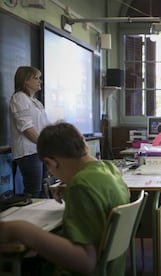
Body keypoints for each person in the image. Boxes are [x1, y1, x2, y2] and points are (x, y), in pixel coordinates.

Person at [0, 122, 130, 275]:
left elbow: (86, 262)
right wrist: (71, 189)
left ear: (51, 163)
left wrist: (22, 230)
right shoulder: (109, 169)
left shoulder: (81, 186)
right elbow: (105, 198)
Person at [9, 66, 49, 198]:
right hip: (28, 152)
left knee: (43, 188)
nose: (40, 81)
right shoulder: (19, 98)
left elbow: (44, 125)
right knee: (34, 190)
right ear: (25, 80)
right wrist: (44, 145)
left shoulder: (36, 102)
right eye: (36, 78)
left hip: (39, 150)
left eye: (40, 78)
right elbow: (27, 128)